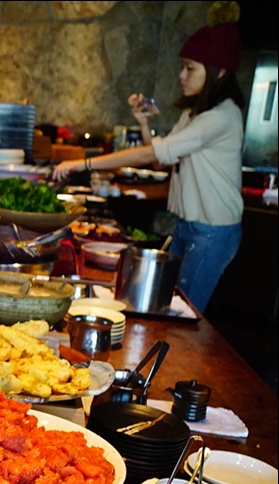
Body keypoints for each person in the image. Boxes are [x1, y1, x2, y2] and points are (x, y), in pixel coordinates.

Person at [52, 2, 244, 314]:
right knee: (167, 307)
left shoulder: (221, 117)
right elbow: (161, 163)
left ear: (219, 72)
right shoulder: (196, 113)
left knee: (184, 313)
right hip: (190, 228)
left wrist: (81, 164)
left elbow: (149, 154)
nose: (182, 75)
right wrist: (144, 123)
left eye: (190, 68)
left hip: (211, 232)